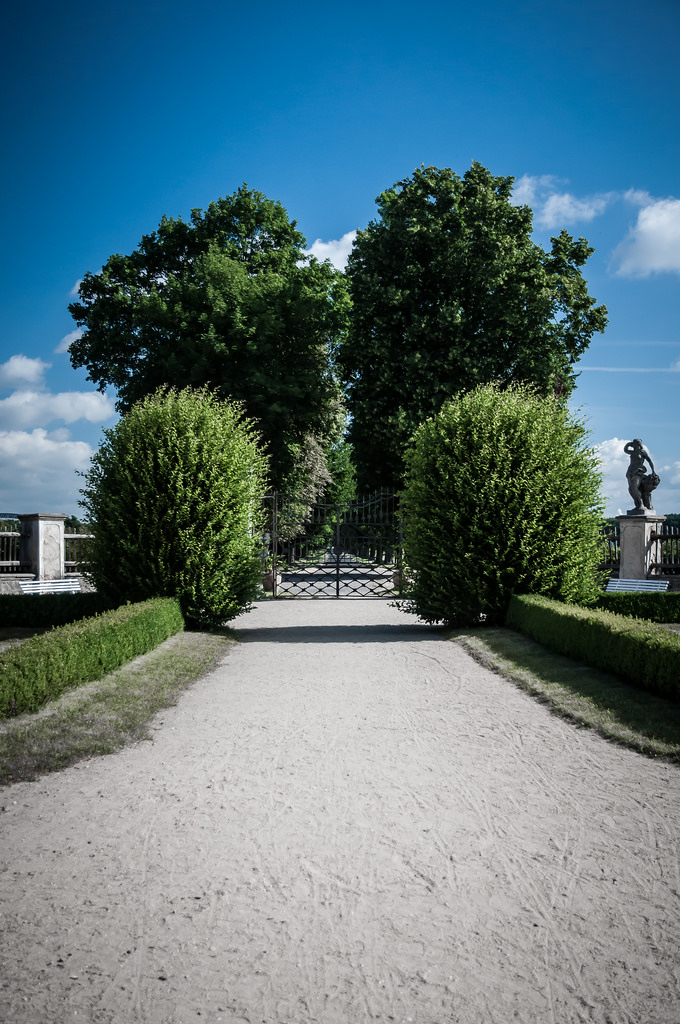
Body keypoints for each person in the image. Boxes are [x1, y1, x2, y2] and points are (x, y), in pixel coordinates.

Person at [624, 438, 658, 511]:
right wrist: (628, 444)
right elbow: (625, 450)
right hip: (630, 472)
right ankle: (637, 505)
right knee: (631, 490)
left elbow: (649, 461)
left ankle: (641, 504)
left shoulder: (642, 452)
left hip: (638, 472)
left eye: (636, 444)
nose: (635, 446)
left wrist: (653, 471)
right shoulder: (632, 452)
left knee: (634, 487)